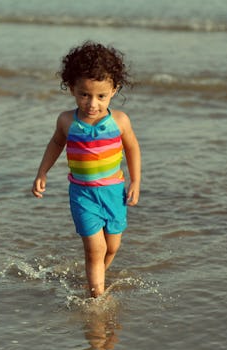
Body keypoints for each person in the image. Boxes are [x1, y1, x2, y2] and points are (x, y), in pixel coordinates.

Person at [32, 41, 141, 298]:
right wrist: (42, 172)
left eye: (101, 96)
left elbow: (133, 149)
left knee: (112, 247)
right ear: (72, 89)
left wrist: (136, 181)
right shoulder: (67, 120)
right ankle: (96, 297)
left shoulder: (120, 121)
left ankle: (93, 279)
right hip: (82, 194)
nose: (92, 103)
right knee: (95, 248)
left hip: (114, 193)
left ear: (114, 90)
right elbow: (56, 144)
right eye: (84, 95)